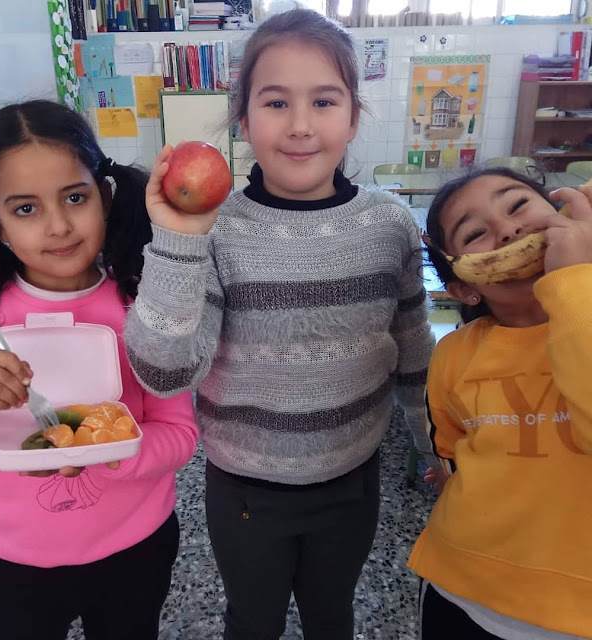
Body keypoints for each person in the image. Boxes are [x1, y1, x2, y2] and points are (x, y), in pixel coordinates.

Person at [125, 8, 438, 640]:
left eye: (324, 101)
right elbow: (164, 373)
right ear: (243, 120)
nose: (300, 125)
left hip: (353, 480)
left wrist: (433, 446)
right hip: (245, 492)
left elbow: (412, 350)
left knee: (332, 616)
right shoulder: (214, 231)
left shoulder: (390, 226)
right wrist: (179, 240)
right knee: (253, 621)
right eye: (275, 103)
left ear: (353, 116)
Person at [0, 100, 198, 640]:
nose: (59, 226)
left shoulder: (144, 309)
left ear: (103, 197)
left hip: (135, 550)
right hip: (15, 564)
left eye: (74, 197)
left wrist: (110, 452)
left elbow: (180, 434)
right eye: (25, 209)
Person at [408, 166, 592, 639]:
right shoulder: (455, 353)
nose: (508, 230)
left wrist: (575, 280)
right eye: (475, 234)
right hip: (460, 584)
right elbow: (449, 442)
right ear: (464, 287)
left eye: (517, 205)